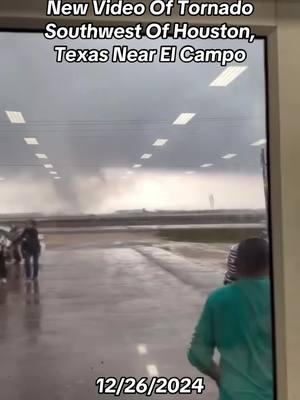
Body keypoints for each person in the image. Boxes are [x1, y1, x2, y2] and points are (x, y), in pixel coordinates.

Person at [188, 237, 273, 400]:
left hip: (235, 394)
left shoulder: (218, 299)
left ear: (236, 265)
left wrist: (220, 377)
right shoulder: (287, 295)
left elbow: (198, 354)